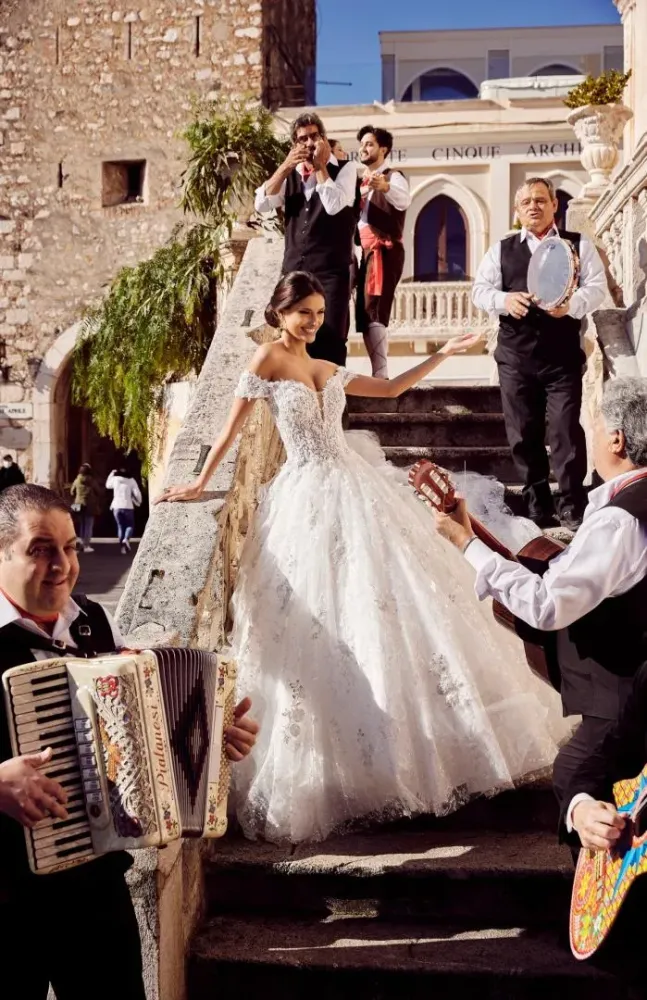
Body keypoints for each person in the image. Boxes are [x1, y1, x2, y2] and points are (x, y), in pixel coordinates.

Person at [156, 270, 572, 845]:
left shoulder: (327, 369)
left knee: (398, 603)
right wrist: (199, 482)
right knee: (324, 616)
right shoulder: (265, 365)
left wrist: (442, 354)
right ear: (280, 313)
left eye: (320, 313)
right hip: (305, 496)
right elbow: (230, 431)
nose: (311, 321)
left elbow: (394, 391)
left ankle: (425, 750)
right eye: (302, 311)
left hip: (354, 485)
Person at [0, 483, 259, 999]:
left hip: (94, 887)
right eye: (40, 549)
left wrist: (213, 738)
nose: (63, 565)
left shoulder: (93, 624)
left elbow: (141, 717)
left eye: (71, 547)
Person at [433, 376, 647, 835]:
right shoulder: (625, 510)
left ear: (617, 438)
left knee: (576, 779)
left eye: (593, 422)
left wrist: (467, 543)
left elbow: (549, 606)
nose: (585, 431)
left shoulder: (618, 521)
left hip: (625, 708)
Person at [472, 177, 608, 531]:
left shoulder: (578, 245)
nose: (533, 206)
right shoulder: (501, 250)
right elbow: (480, 291)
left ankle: (572, 503)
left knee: (565, 430)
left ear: (554, 205)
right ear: (518, 211)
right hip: (515, 357)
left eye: (540, 200)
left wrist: (572, 305)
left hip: (561, 357)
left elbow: (597, 288)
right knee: (522, 433)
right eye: (526, 202)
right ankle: (536, 504)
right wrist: (505, 300)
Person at [254, 112, 357, 367]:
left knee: (331, 338)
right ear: (295, 145)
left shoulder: (346, 169)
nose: (309, 143)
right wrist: (286, 166)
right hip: (295, 272)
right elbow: (262, 204)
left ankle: (333, 403)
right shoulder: (290, 175)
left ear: (323, 138)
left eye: (314, 136)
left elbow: (334, 207)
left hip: (331, 272)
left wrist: (321, 166)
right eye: (302, 139)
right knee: (295, 337)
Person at [355, 125, 411, 379]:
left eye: (369, 144)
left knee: (374, 308)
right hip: (364, 251)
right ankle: (379, 372)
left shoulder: (393, 175)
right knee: (365, 310)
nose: (363, 149)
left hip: (383, 250)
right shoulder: (358, 182)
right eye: (362, 144)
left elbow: (403, 200)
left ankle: (381, 375)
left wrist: (385, 186)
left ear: (383, 149)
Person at [106, 467, 142, 553]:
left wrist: (111, 473)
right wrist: (139, 501)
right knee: (130, 525)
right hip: (128, 506)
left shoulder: (115, 479)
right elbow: (137, 493)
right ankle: (126, 539)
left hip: (116, 506)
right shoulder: (131, 480)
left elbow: (107, 485)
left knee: (120, 526)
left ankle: (122, 548)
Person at [69, 462, 101, 552]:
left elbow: (72, 492)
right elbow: (98, 491)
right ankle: (86, 545)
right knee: (88, 525)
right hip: (90, 505)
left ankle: (81, 542)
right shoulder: (92, 481)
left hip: (78, 504)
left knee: (81, 524)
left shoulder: (77, 480)